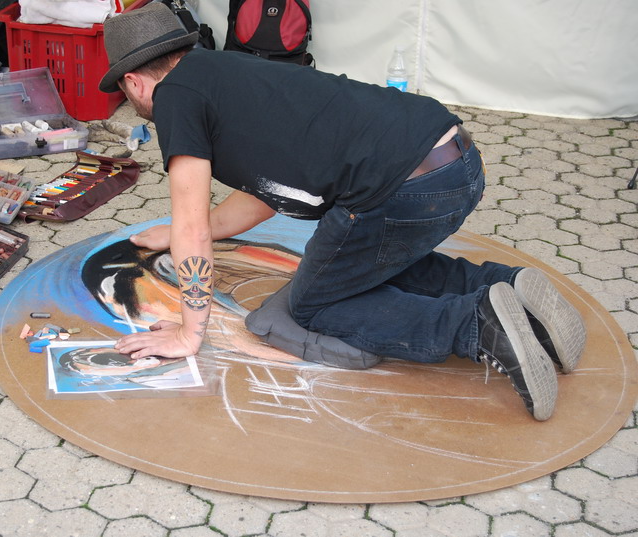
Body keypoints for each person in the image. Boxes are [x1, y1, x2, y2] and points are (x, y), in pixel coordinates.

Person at [101, 4, 586, 420]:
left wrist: (189, 333)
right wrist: (182, 235)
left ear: (133, 81)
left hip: (402, 189)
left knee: (317, 305)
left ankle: (479, 324)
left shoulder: (175, 97)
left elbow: (191, 222)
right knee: (374, 256)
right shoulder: (231, 73)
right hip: (456, 162)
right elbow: (265, 191)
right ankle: (509, 288)